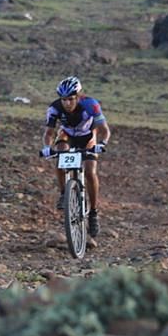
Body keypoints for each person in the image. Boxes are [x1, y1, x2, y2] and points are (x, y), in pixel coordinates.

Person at [40, 76, 111, 236]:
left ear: (78, 96)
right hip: (67, 134)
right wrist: (46, 147)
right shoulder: (54, 108)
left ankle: (93, 212)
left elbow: (105, 129)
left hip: (88, 136)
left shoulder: (90, 105)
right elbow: (49, 133)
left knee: (90, 171)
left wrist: (103, 143)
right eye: (64, 99)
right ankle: (64, 194)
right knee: (60, 156)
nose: (67, 103)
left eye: (71, 99)